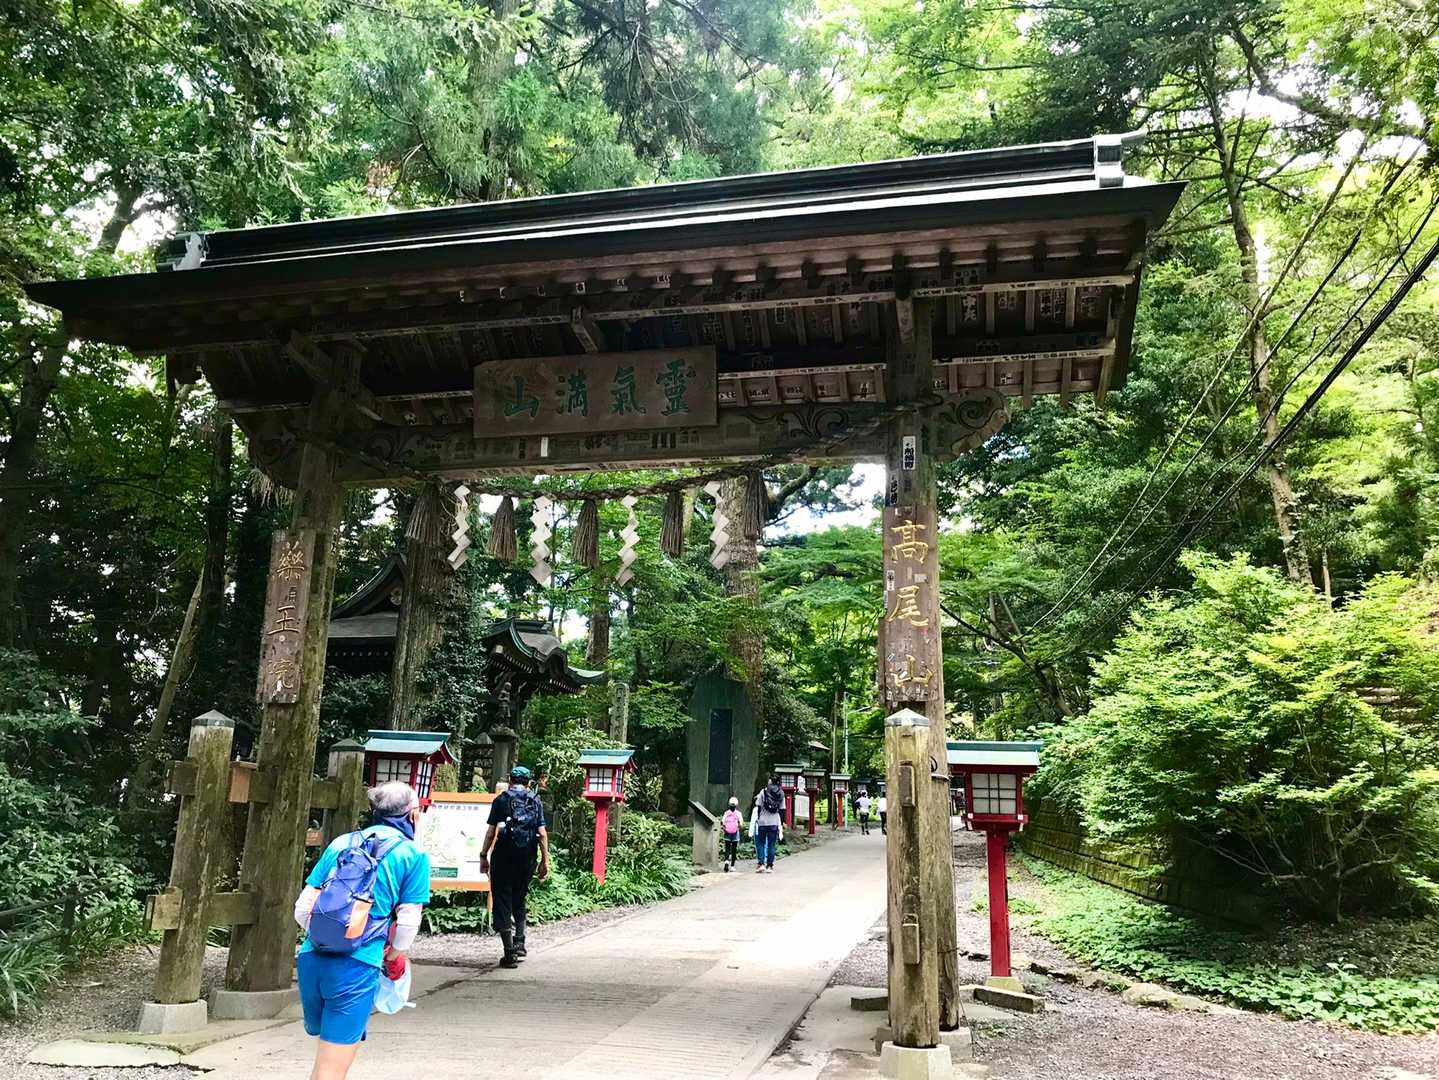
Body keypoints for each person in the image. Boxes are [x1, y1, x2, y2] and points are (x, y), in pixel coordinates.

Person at [292, 781, 431, 1080]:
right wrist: (392, 955)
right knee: (332, 1070)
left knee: (325, 1062)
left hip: (311, 958)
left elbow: (303, 909)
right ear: (412, 815)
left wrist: (330, 936)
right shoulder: (412, 854)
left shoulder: (341, 843)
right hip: (357, 965)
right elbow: (408, 922)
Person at [480, 766, 550, 968]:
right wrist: (544, 861)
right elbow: (542, 833)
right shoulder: (535, 800)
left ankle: (509, 952)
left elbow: (491, 832)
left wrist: (483, 855)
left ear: (510, 780)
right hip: (527, 858)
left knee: (502, 900)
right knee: (520, 898)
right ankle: (520, 943)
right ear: (528, 782)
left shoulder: (501, 800)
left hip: (503, 857)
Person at [751, 776, 785, 873]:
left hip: (762, 822)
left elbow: (758, 806)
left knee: (761, 843)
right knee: (771, 844)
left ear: (770, 782)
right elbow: (782, 810)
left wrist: (758, 818)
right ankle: (770, 866)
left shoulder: (763, 792)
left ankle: (761, 864)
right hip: (774, 822)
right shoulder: (781, 793)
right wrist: (781, 823)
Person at [721, 797, 743, 872]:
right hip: (735, 833)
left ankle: (726, 861)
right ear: (736, 805)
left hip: (727, 833)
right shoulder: (738, 813)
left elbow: (723, 822)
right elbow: (741, 824)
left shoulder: (726, 813)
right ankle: (732, 866)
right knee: (734, 849)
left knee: (727, 849)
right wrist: (737, 828)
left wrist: (725, 829)